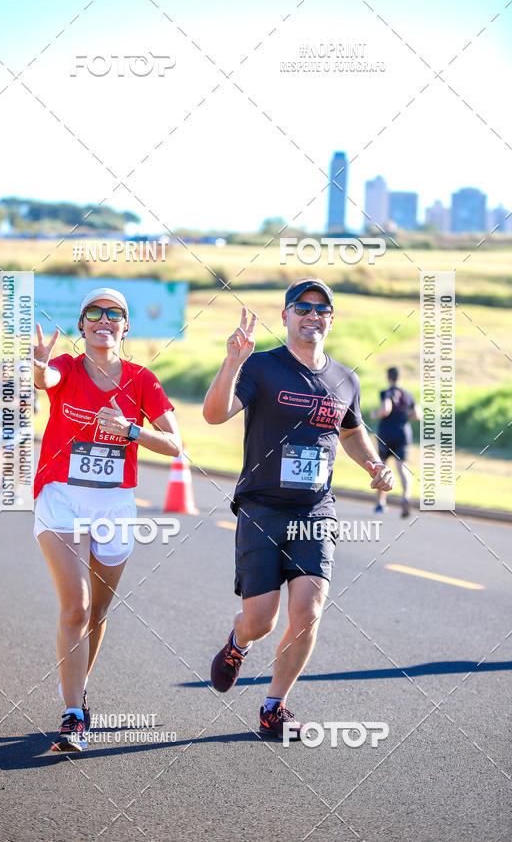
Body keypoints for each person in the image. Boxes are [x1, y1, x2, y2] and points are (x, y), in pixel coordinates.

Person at [203, 277, 394, 739]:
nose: (312, 315)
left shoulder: (345, 379)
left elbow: (350, 432)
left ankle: (274, 706)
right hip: (262, 507)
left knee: (308, 612)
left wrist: (373, 464)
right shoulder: (262, 366)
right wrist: (232, 363)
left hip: (315, 511)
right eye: (302, 307)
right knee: (261, 620)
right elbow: (214, 414)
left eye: (321, 309)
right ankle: (239, 641)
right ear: (286, 315)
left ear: (332, 318)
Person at [33, 287, 181, 753]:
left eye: (113, 313)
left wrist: (131, 430)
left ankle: (77, 690)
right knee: (76, 607)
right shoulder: (68, 367)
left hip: (114, 507)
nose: (103, 319)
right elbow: (47, 379)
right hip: (61, 498)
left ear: (125, 326)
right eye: (93, 313)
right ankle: (72, 716)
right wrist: (38, 366)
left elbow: (175, 444)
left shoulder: (142, 380)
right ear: (81, 325)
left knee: (97, 612)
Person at [371, 367, 420, 518]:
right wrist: (403, 416)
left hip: (386, 434)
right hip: (403, 434)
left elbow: (385, 409)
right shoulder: (408, 394)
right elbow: (417, 414)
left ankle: (381, 503)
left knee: (383, 467)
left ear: (388, 378)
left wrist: (375, 414)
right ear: (400, 378)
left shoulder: (387, 393)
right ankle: (406, 497)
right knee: (403, 467)